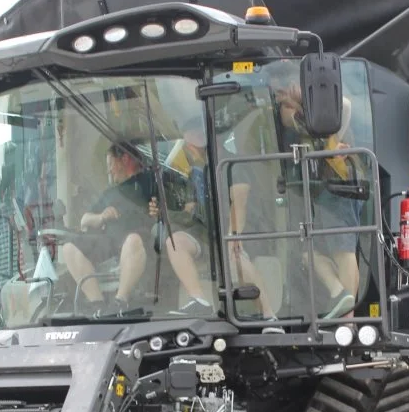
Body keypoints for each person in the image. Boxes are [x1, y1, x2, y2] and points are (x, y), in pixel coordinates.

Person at [154, 117, 279, 324]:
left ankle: (268, 316)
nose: (187, 147)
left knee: (236, 257)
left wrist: (233, 236)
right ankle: (198, 300)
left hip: (236, 231)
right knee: (174, 242)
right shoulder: (194, 171)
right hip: (205, 235)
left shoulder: (231, 164)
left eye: (191, 142)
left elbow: (239, 203)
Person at [268, 66, 362, 319]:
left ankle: (347, 320)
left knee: (344, 251)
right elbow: (292, 123)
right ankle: (340, 295)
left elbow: (345, 105)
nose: (278, 100)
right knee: (312, 254)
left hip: (338, 183)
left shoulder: (323, 111)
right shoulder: (294, 117)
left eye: (280, 92)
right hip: (321, 189)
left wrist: (302, 97)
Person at [61, 141, 155, 316]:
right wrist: (101, 216)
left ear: (125, 159)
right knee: (69, 247)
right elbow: (84, 220)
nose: (108, 170)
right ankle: (97, 304)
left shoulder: (149, 180)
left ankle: (120, 302)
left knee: (132, 240)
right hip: (107, 242)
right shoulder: (109, 193)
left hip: (139, 241)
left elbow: (162, 208)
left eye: (110, 164)